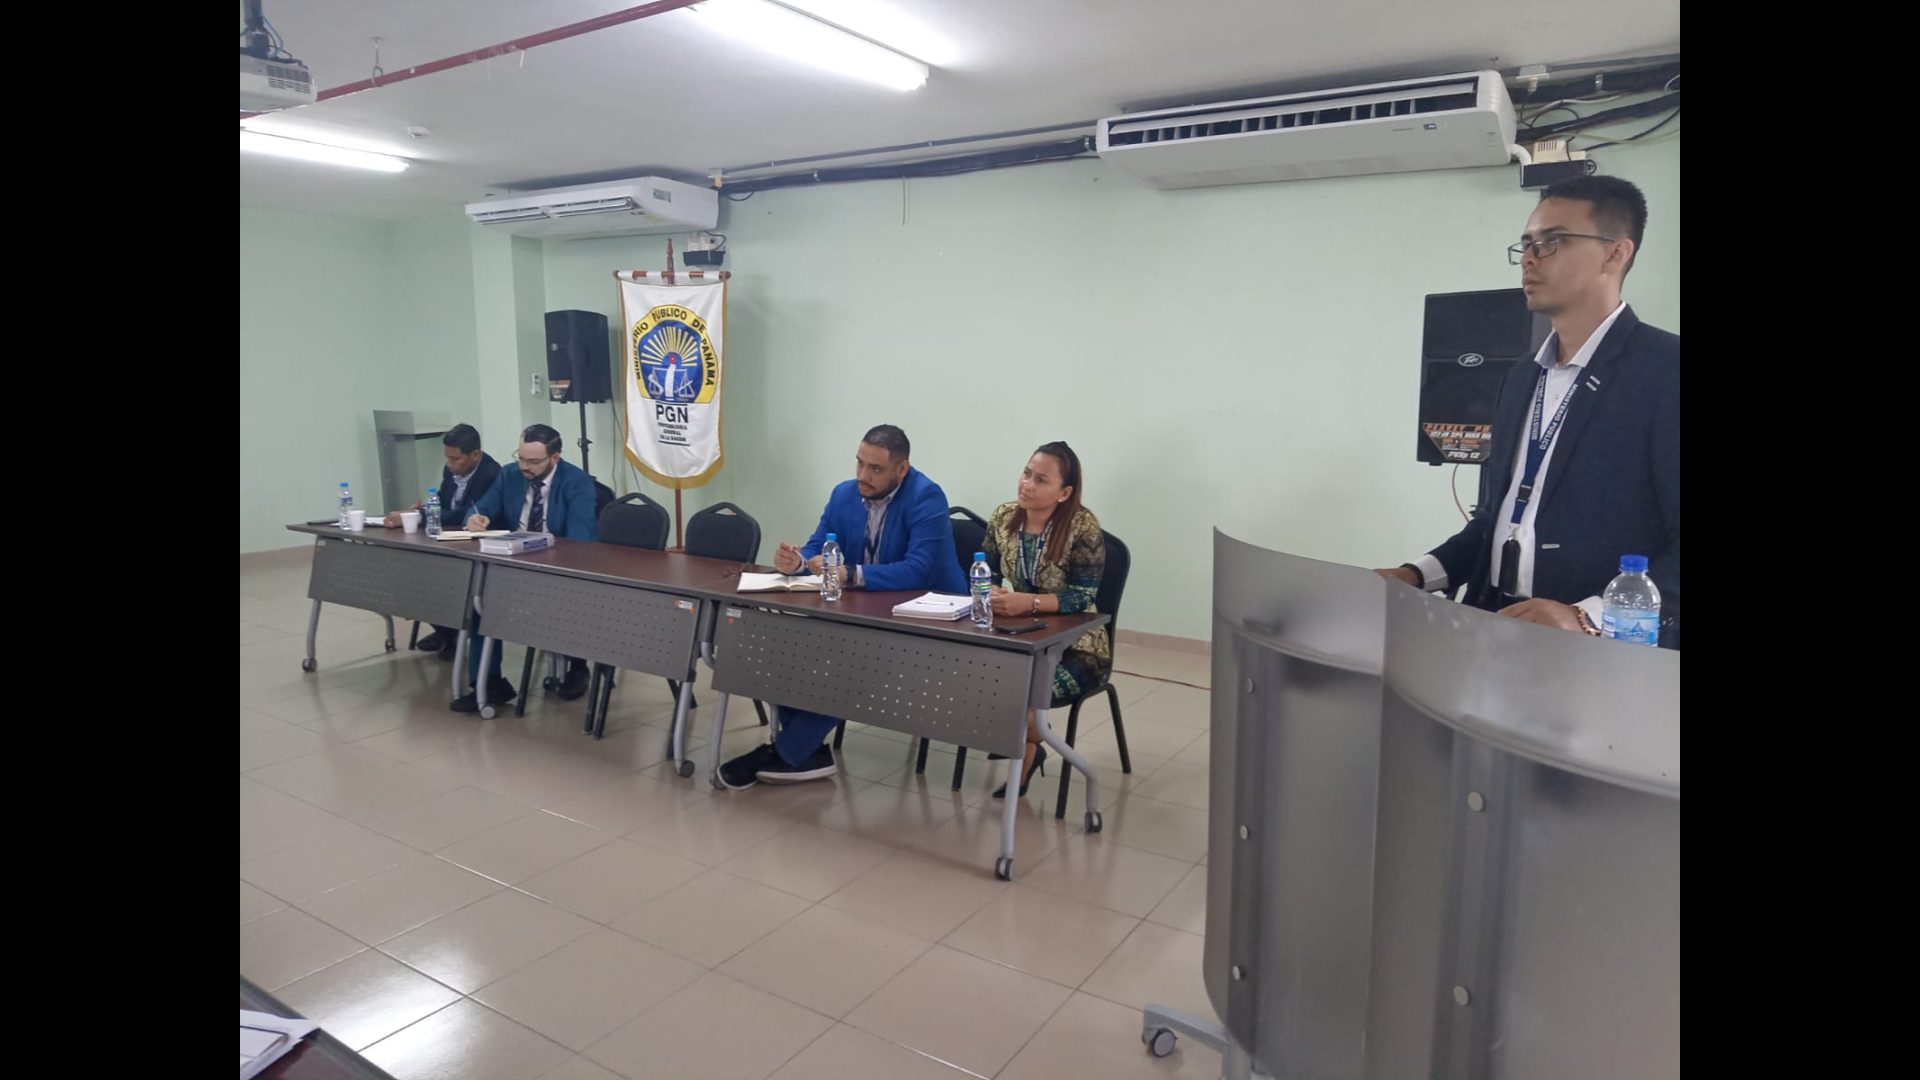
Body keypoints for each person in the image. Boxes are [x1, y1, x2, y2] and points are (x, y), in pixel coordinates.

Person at [1377, 175, 1680, 647]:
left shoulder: (1665, 372)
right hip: (1495, 625)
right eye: (1527, 244)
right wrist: (1416, 574)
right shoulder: (1521, 376)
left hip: (1599, 649)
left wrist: (1585, 616)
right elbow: (1496, 521)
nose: (1530, 258)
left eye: (1553, 241)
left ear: (1616, 253)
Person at [717, 424, 966, 788]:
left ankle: (786, 752)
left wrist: (851, 573)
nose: (863, 475)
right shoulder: (844, 494)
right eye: (860, 463)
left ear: (902, 469)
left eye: (876, 469)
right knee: (782, 643)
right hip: (865, 612)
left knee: (848, 658)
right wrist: (797, 561)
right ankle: (806, 750)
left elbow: (920, 569)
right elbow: (817, 545)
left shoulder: (927, 497)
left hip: (929, 619)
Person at [981, 441, 1109, 798]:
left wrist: (1030, 602)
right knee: (981, 680)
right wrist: (990, 590)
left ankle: (1027, 746)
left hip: (1079, 647)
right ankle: (1026, 740)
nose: (1027, 484)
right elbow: (983, 570)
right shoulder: (1003, 517)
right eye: (1026, 473)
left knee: (1020, 697)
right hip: (1022, 636)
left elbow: (1083, 596)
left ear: (1064, 492)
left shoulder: (1083, 527)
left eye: (1041, 480)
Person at [450, 423, 601, 712]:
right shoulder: (509, 475)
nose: (524, 467)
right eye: (520, 458)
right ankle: (489, 684)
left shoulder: (577, 481)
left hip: (558, 567)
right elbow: (481, 507)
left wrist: (543, 552)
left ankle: (576, 665)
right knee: (480, 600)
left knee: (567, 600)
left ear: (554, 457)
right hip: (513, 564)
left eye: (533, 461)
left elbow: (580, 539)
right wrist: (474, 518)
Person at [384, 423, 500, 660]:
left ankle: (452, 632)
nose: (449, 464)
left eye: (455, 459)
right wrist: (424, 508)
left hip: (477, 544)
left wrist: (420, 516)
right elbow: (443, 501)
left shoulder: (491, 473)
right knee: (414, 574)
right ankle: (446, 631)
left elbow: (463, 514)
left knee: (439, 579)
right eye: (447, 458)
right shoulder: (451, 470)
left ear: (475, 455)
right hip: (448, 539)